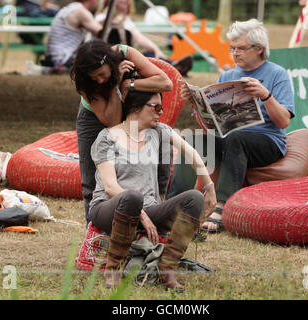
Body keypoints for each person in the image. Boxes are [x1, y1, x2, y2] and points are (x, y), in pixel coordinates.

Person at [167, 19, 295, 233]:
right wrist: (197, 104)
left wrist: (266, 95)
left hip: (267, 142)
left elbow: (284, 121)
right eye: (232, 48)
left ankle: (222, 206)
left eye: (241, 48)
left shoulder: (277, 74)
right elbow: (211, 128)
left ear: (259, 49)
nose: (235, 53)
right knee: (192, 140)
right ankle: (174, 203)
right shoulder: (227, 75)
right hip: (230, 138)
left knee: (236, 139)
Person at [88, 89, 217, 290]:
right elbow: (110, 186)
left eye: (162, 107)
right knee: (132, 197)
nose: (160, 112)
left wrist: (209, 186)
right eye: (156, 107)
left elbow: (191, 152)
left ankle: (167, 270)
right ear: (136, 106)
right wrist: (142, 215)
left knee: (194, 198)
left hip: (148, 207)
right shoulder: (107, 137)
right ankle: (113, 270)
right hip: (108, 208)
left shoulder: (159, 131)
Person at [70, 39, 173, 225]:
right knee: (90, 176)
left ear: (110, 62)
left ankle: (158, 212)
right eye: (95, 78)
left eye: (101, 74)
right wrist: (115, 84)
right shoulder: (85, 81)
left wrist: (128, 85)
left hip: (129, 108)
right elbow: (112, 121)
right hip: (95, 117)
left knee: (159, 151)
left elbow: (166, 83)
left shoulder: (126, 53)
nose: (99, 80)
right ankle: (93, 228)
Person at [95, 0, 193, 76]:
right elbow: (99, 30)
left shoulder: (126, 20)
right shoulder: (102, 17)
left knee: (149, 54)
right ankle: (173, 66)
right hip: (111, 58)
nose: (125, 3)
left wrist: (156, 49)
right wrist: (114, 17)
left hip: (128, 56)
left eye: (127, 2)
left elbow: (140, 38)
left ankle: (172, 65)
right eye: (122, 1)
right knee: (143, 58)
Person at [41, 0, 103, 72]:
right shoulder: (81, 12)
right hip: (62, 61)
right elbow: (102, 33)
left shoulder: (71, 8)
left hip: (53, 59)